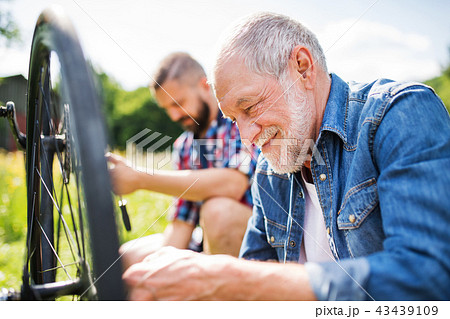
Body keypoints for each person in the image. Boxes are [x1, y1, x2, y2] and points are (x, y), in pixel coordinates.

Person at [122, 13, 450, 300]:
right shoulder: (269, 170)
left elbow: (429, 279)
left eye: (250, 107)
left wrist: (227, 277)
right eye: (234, 120)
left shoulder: (398, 115)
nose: (247, 137)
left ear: (302, 68)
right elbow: (256, 264)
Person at [108, 52, 259, 269]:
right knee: (127, 258)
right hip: (205, 239)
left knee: (218, 212)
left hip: (258, 240)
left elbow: (233, 184)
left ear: (205, 85)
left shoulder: (238, 124)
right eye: (167, 108)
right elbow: (182, 223)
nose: (174, 116)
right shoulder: (184, 147)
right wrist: (155, 273)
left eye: (178, 103)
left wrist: (141, 178)